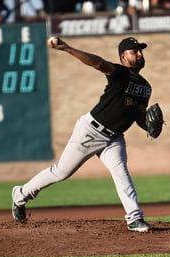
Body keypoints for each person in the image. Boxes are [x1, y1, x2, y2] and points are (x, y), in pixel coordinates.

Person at [11, 36, 153, 232]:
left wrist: (151, 127)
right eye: (134, 51)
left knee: (122, 175)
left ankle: (134, 218)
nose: (139, 54)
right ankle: (20, 194)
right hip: (91, 131)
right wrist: (68, 48)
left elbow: (138, 116)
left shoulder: (146, 87)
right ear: (123, 56)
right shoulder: (119, 73)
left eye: (140, 51)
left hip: (114, 139)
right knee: (61, 172)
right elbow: (98, 63)